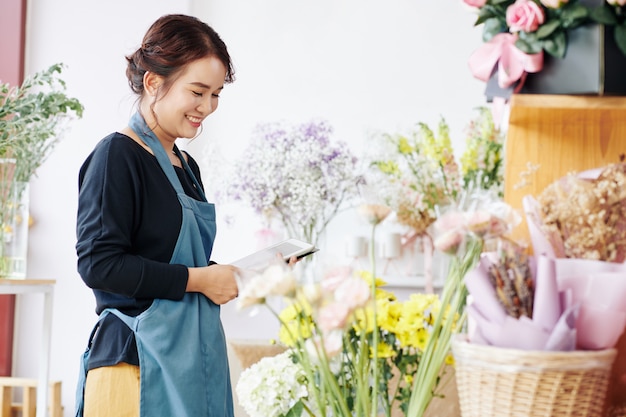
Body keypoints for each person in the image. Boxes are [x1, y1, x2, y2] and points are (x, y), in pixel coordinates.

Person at [74, 14, 240, 417]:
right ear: (153, 83)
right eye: (197, 91)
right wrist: (201, 279)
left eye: (216, 94)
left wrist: (233, 274)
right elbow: (99, 264)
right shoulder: (117, 156)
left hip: (192, 361)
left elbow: (169, 260)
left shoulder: (187, 167)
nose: (207, 107)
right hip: (136, 362)